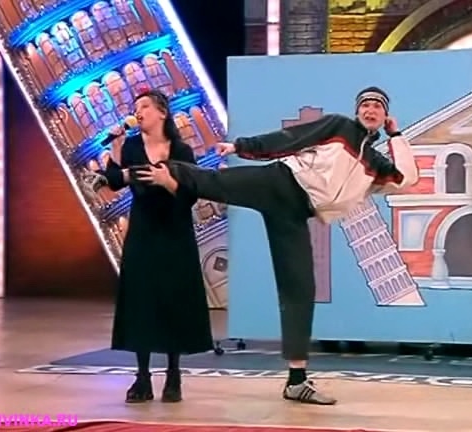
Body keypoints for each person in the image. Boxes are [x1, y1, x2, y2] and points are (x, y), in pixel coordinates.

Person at [162, 87, 418, 405]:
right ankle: (149, 173)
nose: (370, 110)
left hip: (296, 214)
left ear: (385, 116)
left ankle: (296, 382)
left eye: (377, 107)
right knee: (213, 182)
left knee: (300, 289)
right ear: (357, 111)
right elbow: (290, 138)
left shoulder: (375, 164)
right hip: (280, 183)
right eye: (365, 104)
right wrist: (241, 146)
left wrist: (396, 135)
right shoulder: (339, 126)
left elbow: (407, 178)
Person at [103, 89, 213, 404]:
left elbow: (192, 194)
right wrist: (115, 144)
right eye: (135, 107)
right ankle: (142, 377)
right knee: (142, 300)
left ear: (162, 112)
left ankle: (174, 374)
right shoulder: (132, 146)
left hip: (175, 232)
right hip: (143, 232)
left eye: (144, 106)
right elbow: (114, 180)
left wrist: (169, 182)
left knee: (172, 300)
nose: (138, 112)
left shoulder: (182, 150)